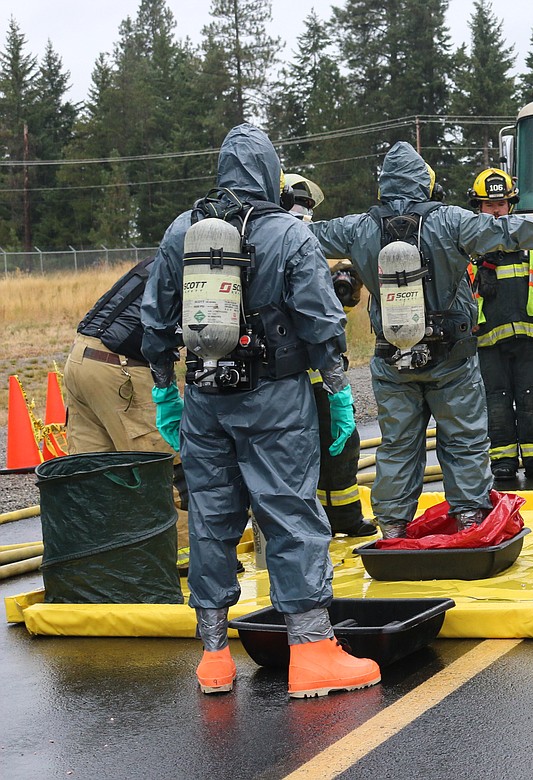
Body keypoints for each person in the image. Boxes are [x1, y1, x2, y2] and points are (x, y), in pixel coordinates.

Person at [141, 123, 380, 699]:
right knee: (291, 514)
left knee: (210, 519)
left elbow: (155, 317)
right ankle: (312, 653)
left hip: (203, 398)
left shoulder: (184, 230)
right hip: (274, 398)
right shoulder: (287, 234)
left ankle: (215, 658)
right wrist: (338, 388)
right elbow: (322, 321)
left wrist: (164, 390)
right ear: (271, 172)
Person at [310, 142, 533, 538]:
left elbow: (304, 237)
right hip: (451, 357)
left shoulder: (357, 228)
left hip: (392, 360)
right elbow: (509, 230)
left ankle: (392, 528)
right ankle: (471, 521)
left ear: (382, 188)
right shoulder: (450, 221)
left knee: (397, 447)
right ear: (427, 184)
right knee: (464, 442)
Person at [281, 174, 376, 538]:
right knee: (306, 453)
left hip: (314, 372)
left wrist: (344, 292)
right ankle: (316, 524)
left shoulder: (298, 247)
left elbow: (323, 314)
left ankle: (341, 518)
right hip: (297, 374)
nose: (305, 217)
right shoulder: (282, 249)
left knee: (338, 447)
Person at [467, 168, 533, 482]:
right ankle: (503, 460)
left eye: (501, 204)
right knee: (494, 400)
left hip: (531, 338)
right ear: (478, 207)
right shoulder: (467, 246)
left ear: (511, 204)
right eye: (488, 205)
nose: (496, 210)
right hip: (487, 341)